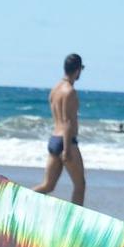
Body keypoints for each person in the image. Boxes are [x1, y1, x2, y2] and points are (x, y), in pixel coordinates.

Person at [32, 52, 85, 204]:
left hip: (54, 139)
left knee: (48, 185)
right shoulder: (70, 91)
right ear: (78, 69)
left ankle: (17, 204)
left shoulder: (54, 90)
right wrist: (67, 150)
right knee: (80, 185)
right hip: (66, 142)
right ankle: (76, 224)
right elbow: (68, 121)